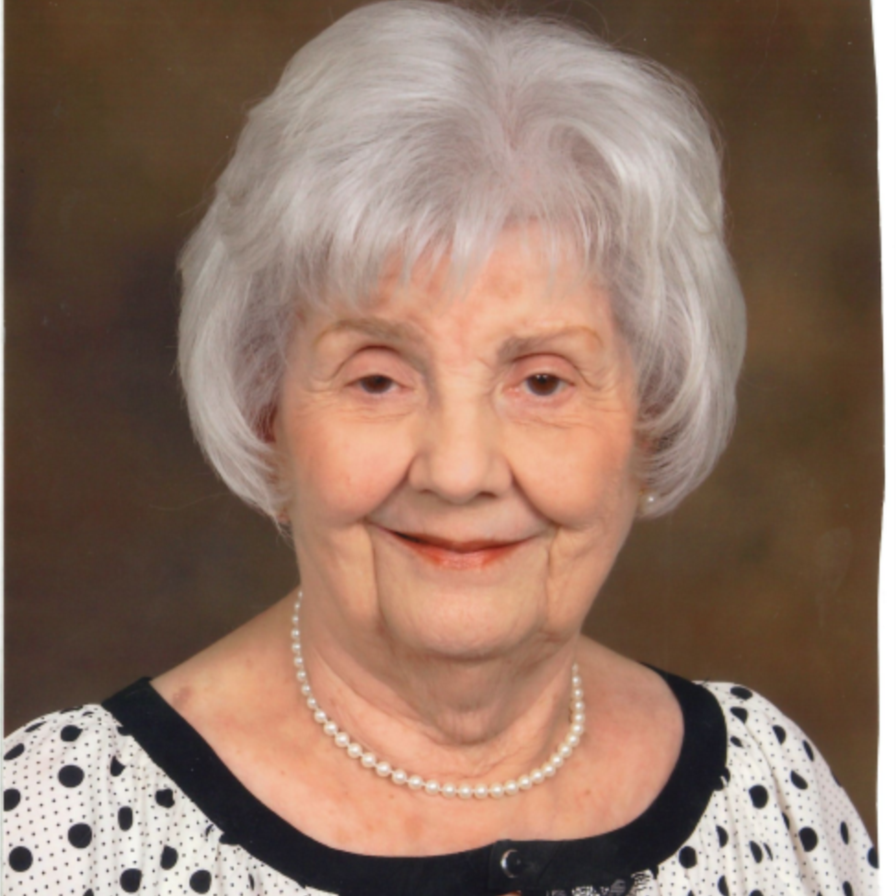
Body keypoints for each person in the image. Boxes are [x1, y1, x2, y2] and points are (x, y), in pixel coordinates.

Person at [3, 2, 878, 894]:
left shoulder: (768, 793)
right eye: (379, 380)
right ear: (268, 410)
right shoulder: (64, 828)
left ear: (648, 418)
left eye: (543, 382)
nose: (459, 473)